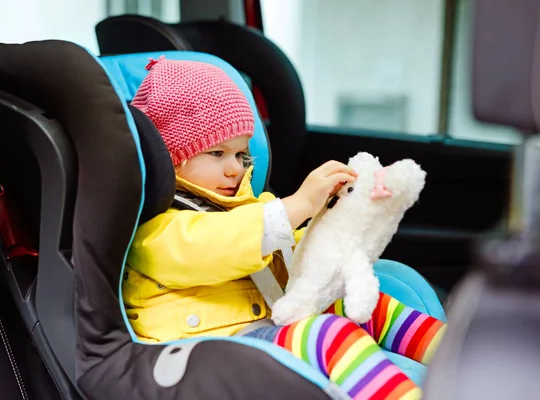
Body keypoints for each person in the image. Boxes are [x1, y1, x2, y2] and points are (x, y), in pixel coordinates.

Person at [122, 56, 445, 399]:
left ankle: (460, 359)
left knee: (363, 302)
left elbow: (293, 258)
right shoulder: (155, 232)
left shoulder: (249, 207)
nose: (235, 169)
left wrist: (335, 222)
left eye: (241, 155)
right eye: (217, 153)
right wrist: (298, 206)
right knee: (329, 336)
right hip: (210, 355)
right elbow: (218, 244)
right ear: (172, 157)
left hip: (268, 325)